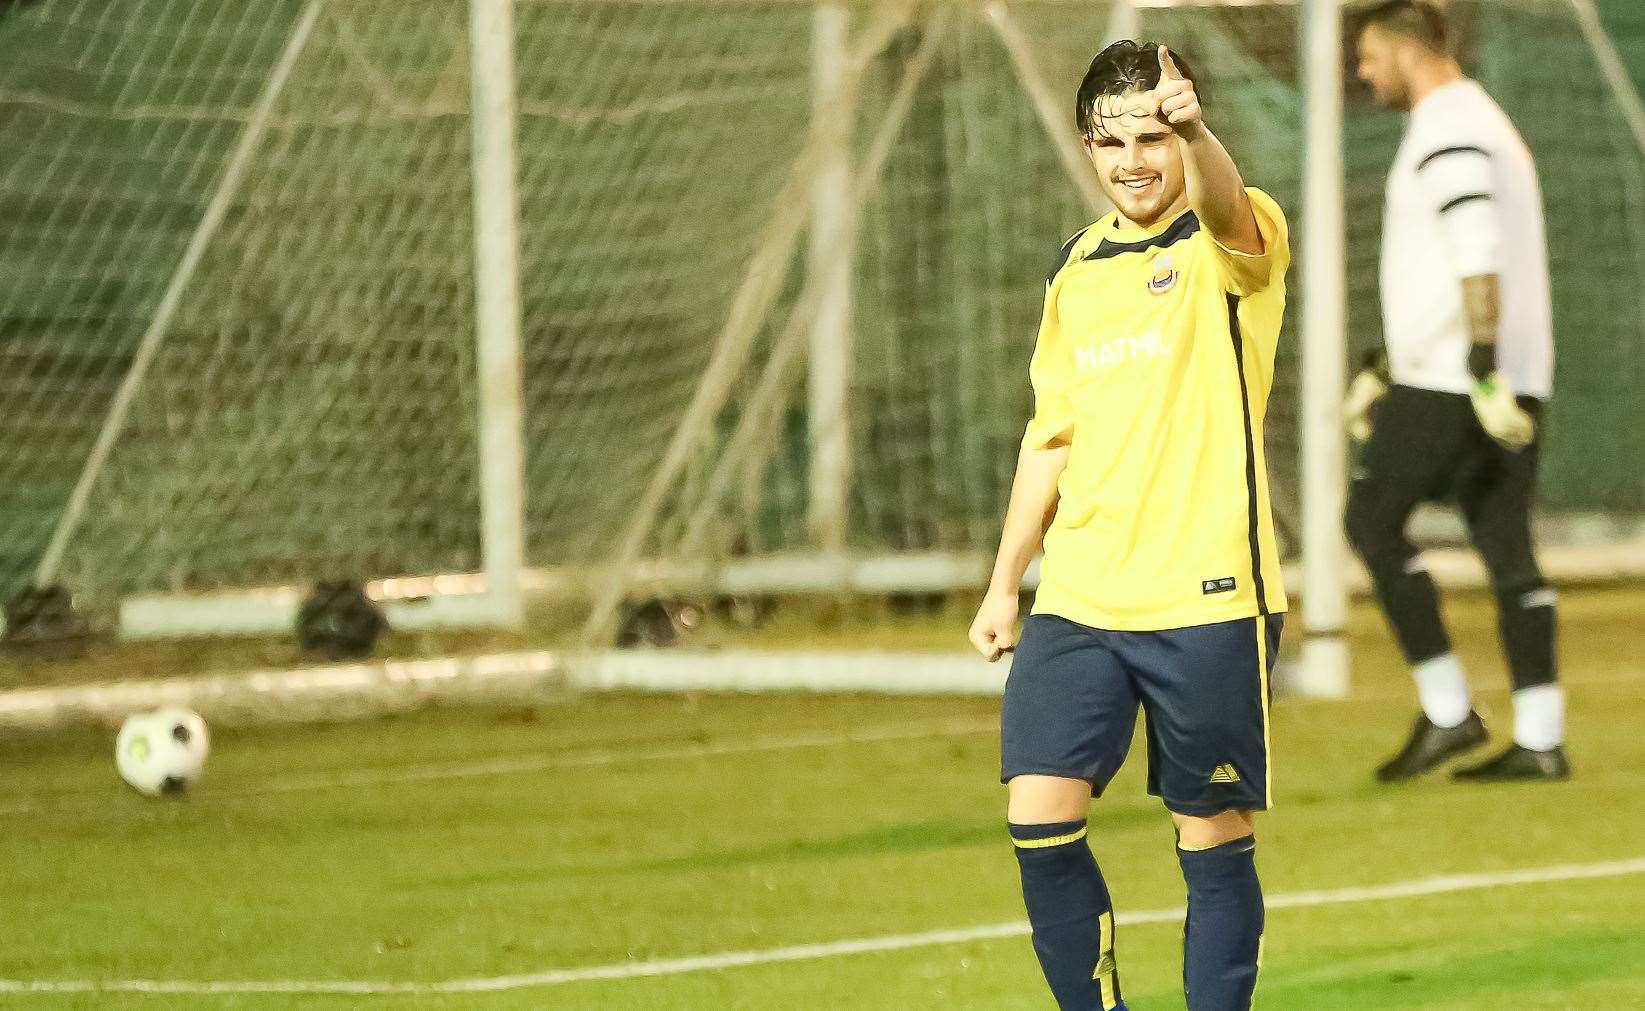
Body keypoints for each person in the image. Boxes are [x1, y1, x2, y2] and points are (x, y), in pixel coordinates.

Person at [968, 39, 1288, 1011]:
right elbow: (1051, 437)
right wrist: (1002, 581)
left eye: (1153, 136)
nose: (1134, 161)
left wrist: (1199, 133)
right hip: (1082, 596)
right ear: (1085, 147)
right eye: (1112, 143)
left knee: (1210, 835)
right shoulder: (1076, 270)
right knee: (1038, 817)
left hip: (1205, 594)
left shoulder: (1226, 237)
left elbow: (1230, 210)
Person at [1348, 0, 1568, 783]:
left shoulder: (1448, 127)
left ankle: (1447, 711)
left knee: (1370, 520)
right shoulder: (1483, 121)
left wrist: (1475, 364)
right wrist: (1388, 358)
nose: (1362, 71)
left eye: (1368, 55)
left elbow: (1476, 247)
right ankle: (1540, 737)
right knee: (1504, 543)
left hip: (1456, 378)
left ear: (1405, 51)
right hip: (1500, 372)